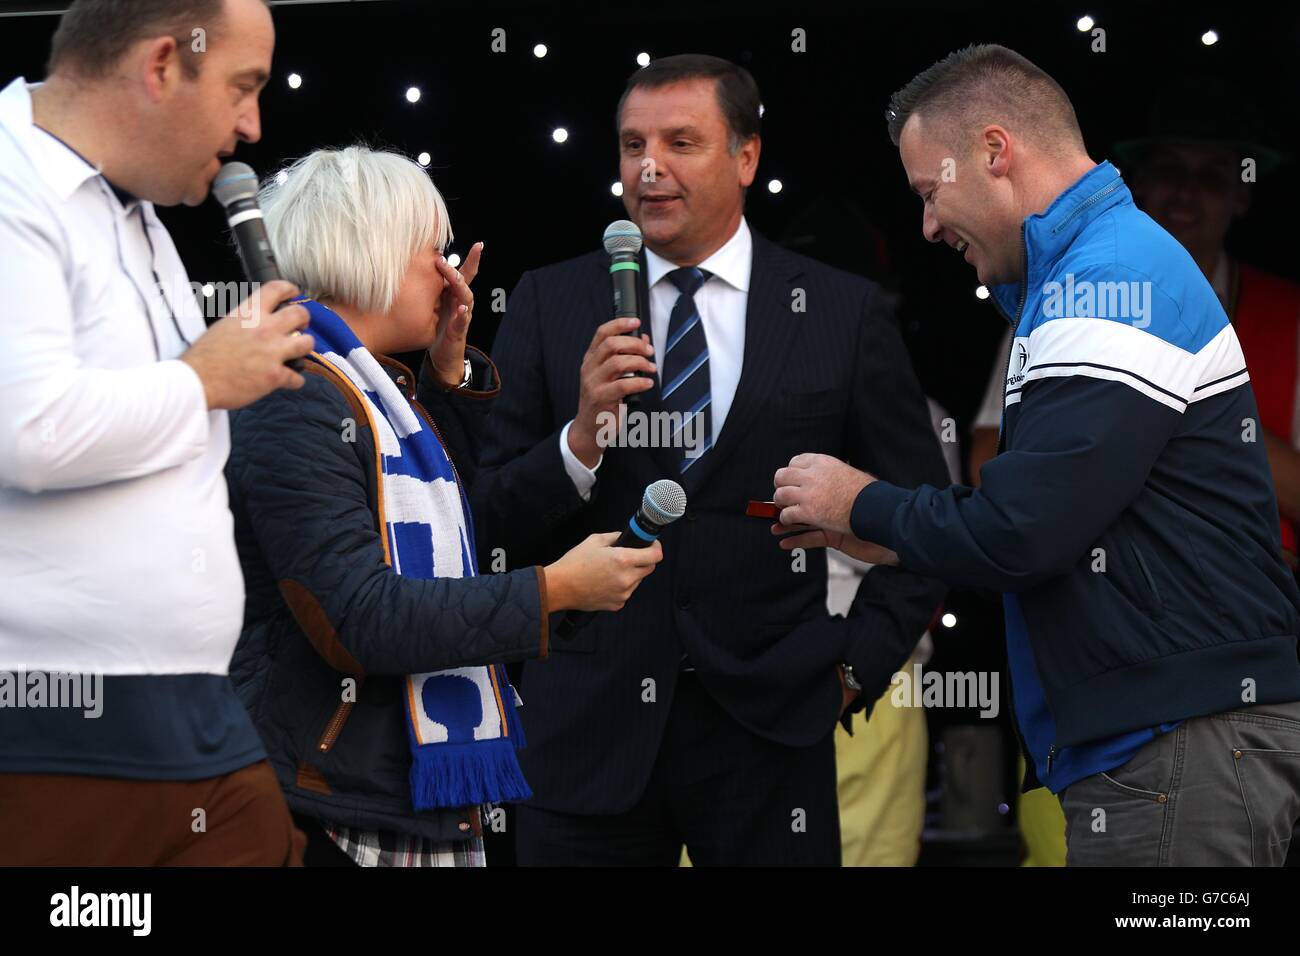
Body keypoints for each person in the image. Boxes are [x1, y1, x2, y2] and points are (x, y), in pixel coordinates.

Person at [773, 44, 1300, 866]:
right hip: (1169, 739)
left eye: (928, 192)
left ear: (992, 150)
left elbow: (1025, 528)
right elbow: (1057, 520)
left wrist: (859, 502)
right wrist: (891, 533)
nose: (927, 225)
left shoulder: (1108, 279)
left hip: (1178, 742)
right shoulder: (1085, 280)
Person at [472, 53, 949, 866]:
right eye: (632, 145)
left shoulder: (838, 311)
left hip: (772, 732)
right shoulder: (550, 303)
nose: (649, 167)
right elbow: (486, 519)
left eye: (681, 142)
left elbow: (927, 522)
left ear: (747, 157)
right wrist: (580, 439)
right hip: (587, 737)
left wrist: (850, 671)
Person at [225, 146, 662, 867]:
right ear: (370, 251)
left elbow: (457, 544)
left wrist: (448, 381)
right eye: (433, 250)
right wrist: (553, 591)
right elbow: (364, 618)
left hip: (392, 795)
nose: (451, 272)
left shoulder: (376, 393)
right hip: (325, 802)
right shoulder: (295, 395)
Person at [0, 0, 313, 866]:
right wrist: (203, 379)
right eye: (243, 87)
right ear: (164, 63)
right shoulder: (9, 182)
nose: (253, 125)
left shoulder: (135, 214)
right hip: (52, 735)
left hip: (199, 721)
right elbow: (26, 431)